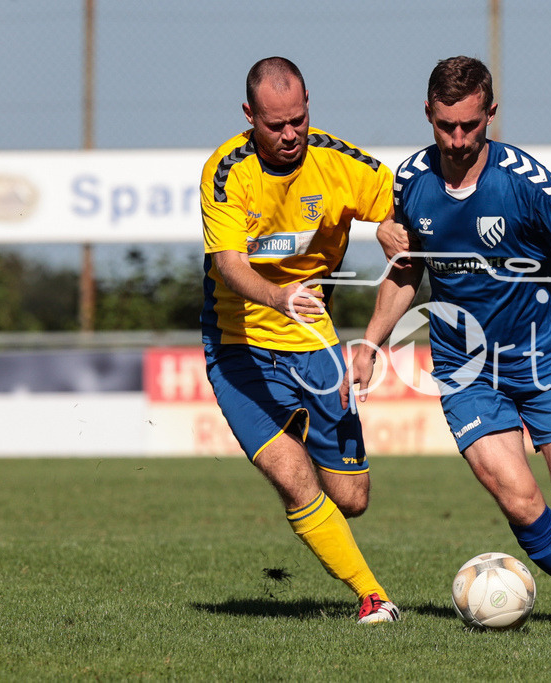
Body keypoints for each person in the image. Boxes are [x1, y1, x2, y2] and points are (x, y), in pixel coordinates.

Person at [344, 56, 551, 627]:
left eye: (471, 125)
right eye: (446, 126)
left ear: (491, 113)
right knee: (518, 497)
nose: (459, 139)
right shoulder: (410, 182)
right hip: (463, 368)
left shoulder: (527, 183)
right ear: (428, 113)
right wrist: (371, 343)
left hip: (542, 356)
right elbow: (405, 271)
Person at [199, 56, 399, 624]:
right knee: (291, 477)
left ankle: (305, 430)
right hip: (238, 346)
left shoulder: (340, 162)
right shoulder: (226, 171)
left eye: (299, 119)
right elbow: (231, 265)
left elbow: (407, 209)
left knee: (352, 499)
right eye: (275, 124)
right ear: (249, 116)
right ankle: (372, 597)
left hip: (315, 344)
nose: (290, 135)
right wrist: (279, 296)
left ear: (308, 104)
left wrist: (392, 223)